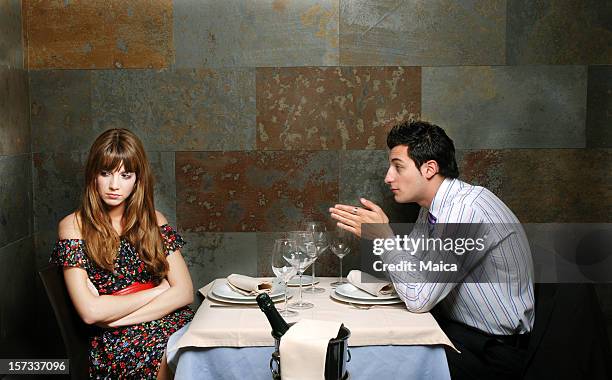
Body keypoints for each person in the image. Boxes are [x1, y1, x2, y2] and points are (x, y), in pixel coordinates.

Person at [329, 120, 535, 379]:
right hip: (458, 332)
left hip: (493, 351)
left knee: (381, 362)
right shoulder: (432, 207)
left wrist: (382, 238)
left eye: (398, 166)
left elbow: (419, 299)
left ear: (429, 169)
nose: (388, 177)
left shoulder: (464, 212)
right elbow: (415, 268)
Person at [50, 128, 194, 379]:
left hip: (164, 320)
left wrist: (115, 317)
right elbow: (90, 312)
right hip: (119, 341)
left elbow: (184, 292)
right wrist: (160, 290)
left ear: (138, 179)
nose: (114, 185)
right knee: (169, 355)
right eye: (105, 173)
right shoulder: (74, 226)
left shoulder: (154, 221)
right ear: (93, 175)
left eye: (125, 175)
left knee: (204, 348)